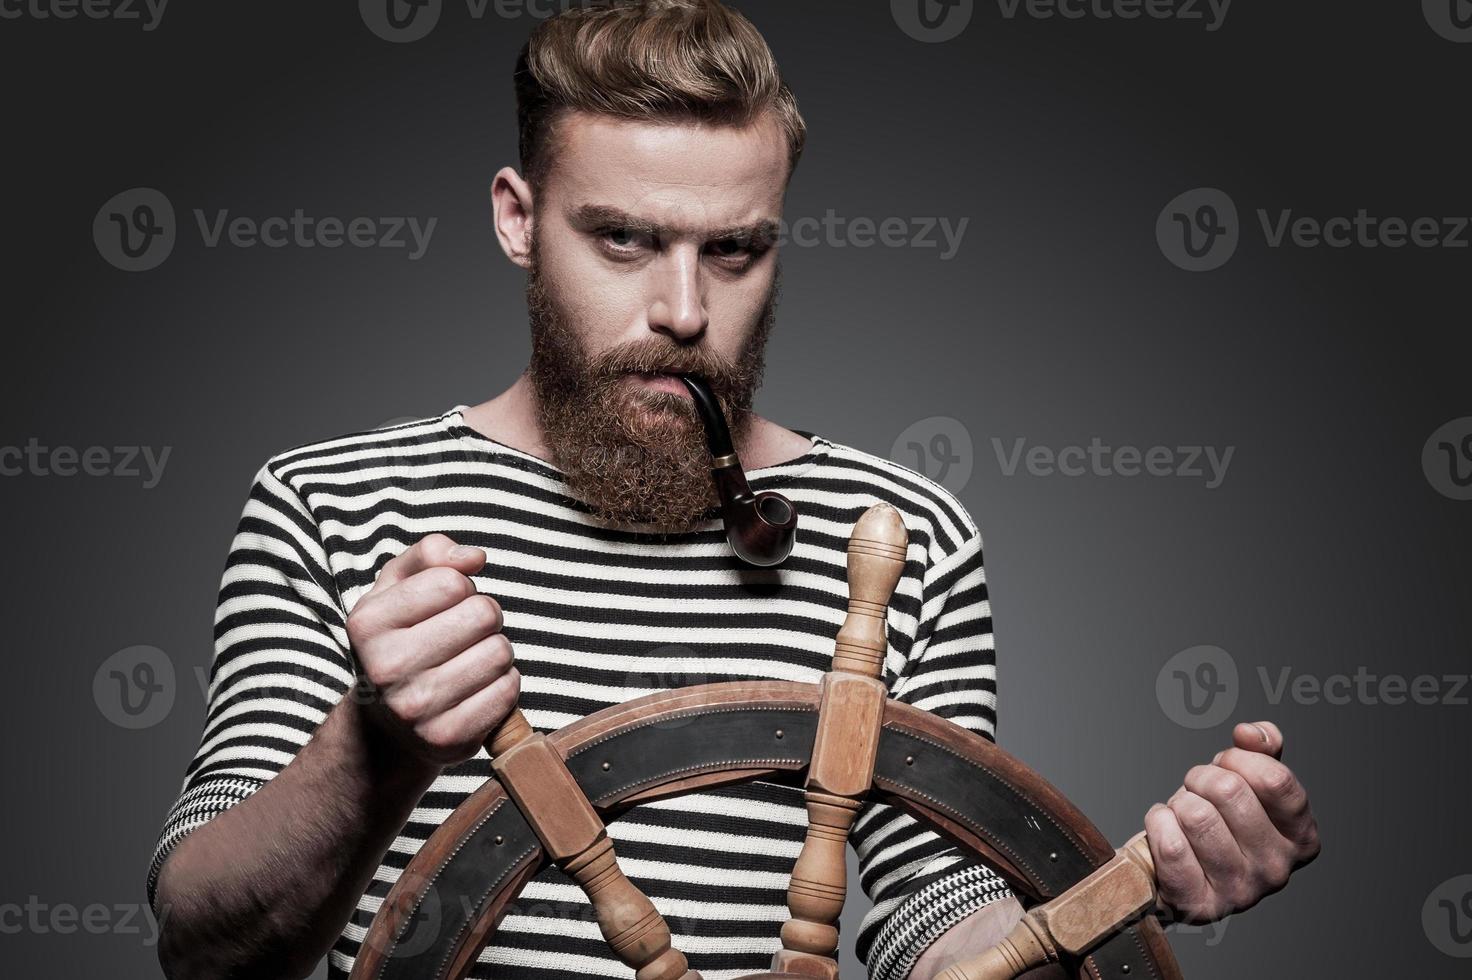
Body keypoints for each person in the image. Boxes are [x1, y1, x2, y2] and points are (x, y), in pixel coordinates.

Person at [148, 2, 1320, 979]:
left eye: (734, 250)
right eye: (620, 241)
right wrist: (375, 748)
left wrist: (1127, 892)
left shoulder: (902, 536)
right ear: (518, 219)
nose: (683, 311)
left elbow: (930, 926)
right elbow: (206, 943)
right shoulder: (328, 501)